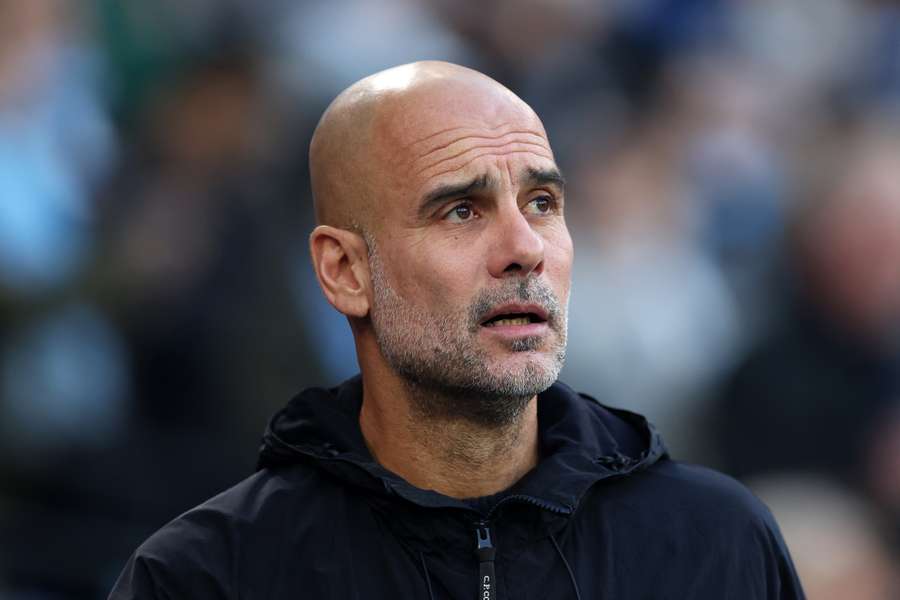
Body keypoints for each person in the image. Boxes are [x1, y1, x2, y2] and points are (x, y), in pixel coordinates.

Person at [109, 61, 804, 599]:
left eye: (542, 201)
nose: (525, 247)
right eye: (461, 211)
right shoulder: (207, 576)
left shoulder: (717, 542)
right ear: (345, 270)